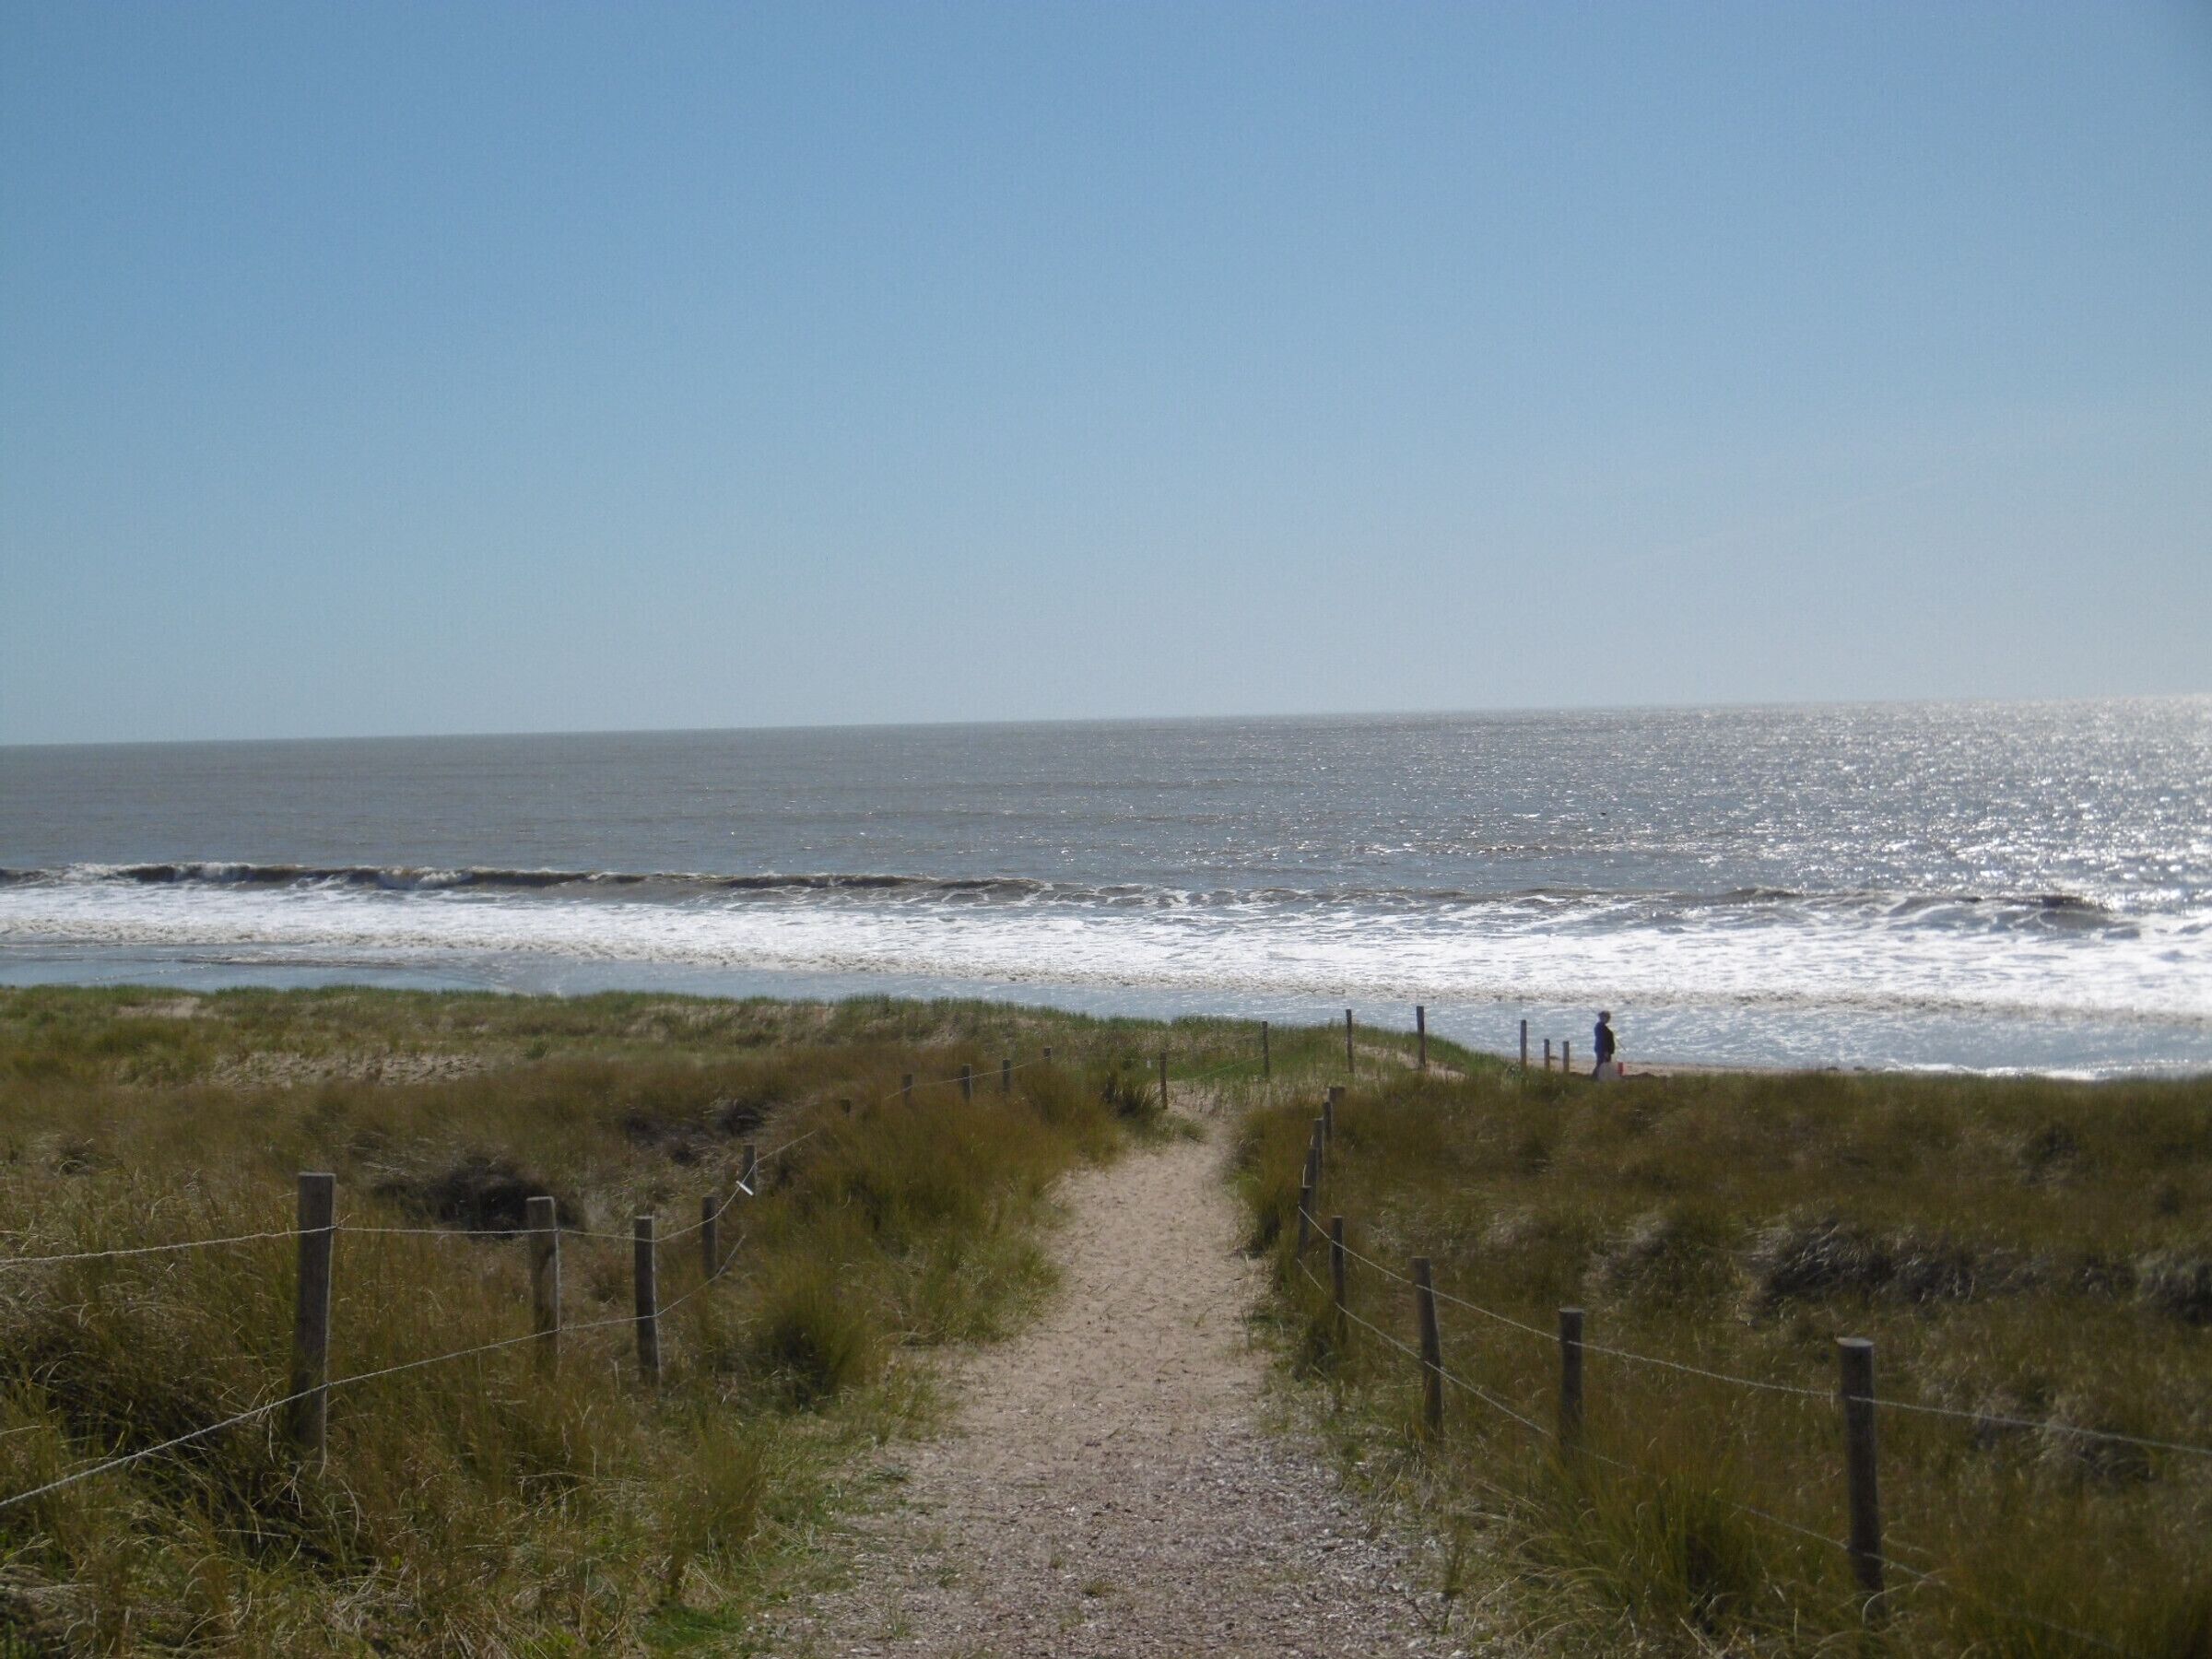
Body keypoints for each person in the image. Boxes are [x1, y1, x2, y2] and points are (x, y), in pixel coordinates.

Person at [1593, 1010, 1617, 1077]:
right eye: (1608, 1017)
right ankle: (1596, 1078)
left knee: (1601, 1065)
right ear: (1603, 1018)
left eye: (1609, 1018)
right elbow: (1603, 1040)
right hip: (1603, 1050)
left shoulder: (1602, 1027)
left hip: (1603, 1050)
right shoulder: (1600, 1027)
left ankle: (1596, 1078)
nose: (1609, 1019)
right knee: (1602, 1065)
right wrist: (1606, 1051)